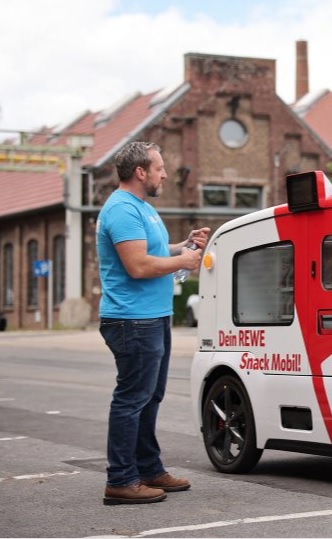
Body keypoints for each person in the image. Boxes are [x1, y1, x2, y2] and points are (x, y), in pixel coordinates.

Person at [96, 141, 210, 505]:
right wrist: (185, 262)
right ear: (140, 172)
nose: (164, 174)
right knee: (132, 399)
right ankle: (121, 479)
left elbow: (155, 253)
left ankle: (148, 468)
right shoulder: (122, 210)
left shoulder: (142, 209)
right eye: (159, 168)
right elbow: (139, 265)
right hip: (132, 320)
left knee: (149, 396)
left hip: (151, 317)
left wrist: (183, 246)